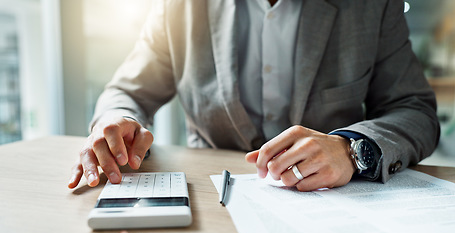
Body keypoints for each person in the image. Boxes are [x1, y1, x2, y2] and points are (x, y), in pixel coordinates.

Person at [68, 0, 440, 192]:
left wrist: (349, 150)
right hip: (212, 200)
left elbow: (414, 110)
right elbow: (126, 92)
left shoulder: (371, 7)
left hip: (332, 202)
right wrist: (117, 121)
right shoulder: (178, 7)